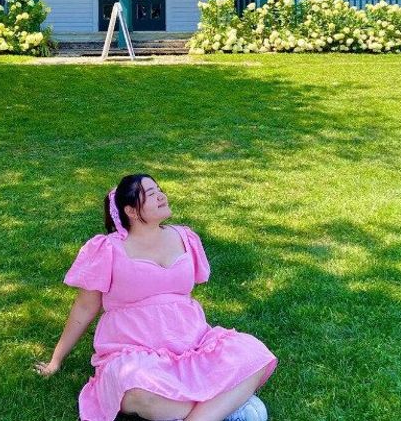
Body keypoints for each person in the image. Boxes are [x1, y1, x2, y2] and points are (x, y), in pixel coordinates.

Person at [34, 174, 277, 421]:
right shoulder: (108, 249)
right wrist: (56, 360)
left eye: (159, 189)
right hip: (133, 349)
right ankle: (224, 407)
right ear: (130, 210)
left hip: (190, 343)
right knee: (137, 393)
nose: (162, 195)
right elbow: (84, 307)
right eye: (151, 194)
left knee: (253, 354)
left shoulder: (185, 237)